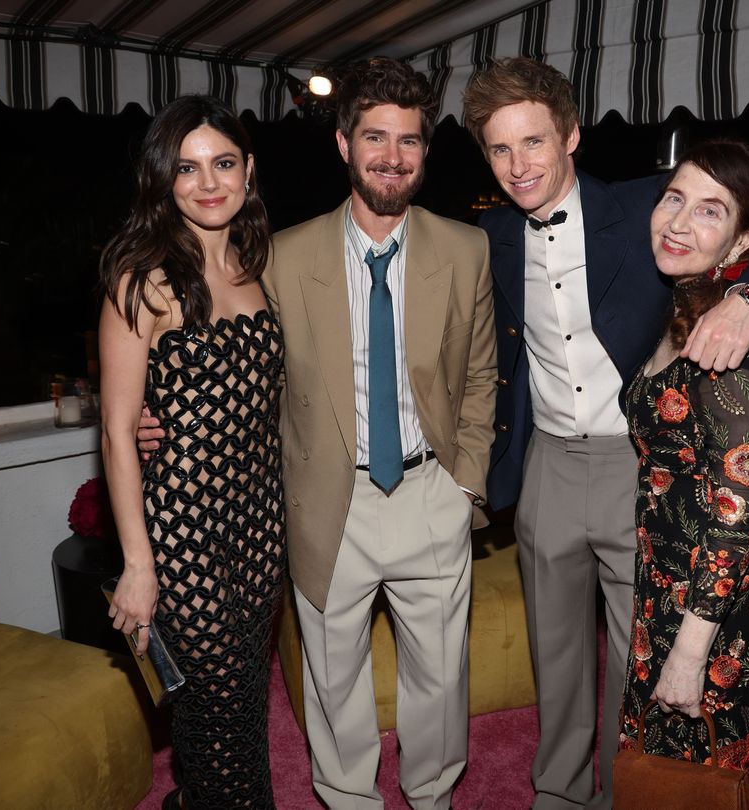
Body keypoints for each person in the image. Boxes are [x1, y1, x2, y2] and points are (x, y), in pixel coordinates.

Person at [461, 58, 749, 810]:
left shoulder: (651, 209)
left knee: (641, 657)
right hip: (548, 467)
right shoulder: (487, 233)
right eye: (500, 149)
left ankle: (633, 794)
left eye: (533, 142)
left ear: (571, 137)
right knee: (554, 656)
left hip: (641, 470)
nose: (519, 165)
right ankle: (557, 792)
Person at [141, 58, 497, 809]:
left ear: (426, 152)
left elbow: (481, 380)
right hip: (326, 501)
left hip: (430, 488)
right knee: (333, 681)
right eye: (375, 136)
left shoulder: (468, 250)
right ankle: (349, 801)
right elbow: (227, 359)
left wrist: (466, 484)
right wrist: (156, 412)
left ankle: (432, 796)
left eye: (409, 141)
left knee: (441, 677)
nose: (391, 156)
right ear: (344, 143)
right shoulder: (281, 257)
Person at [98, 94, 284, 810]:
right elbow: (117, 431)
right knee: (212, 716)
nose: (208, 183)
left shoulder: (255, 264)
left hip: (262, 524)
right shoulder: (142, 277)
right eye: (187, 167)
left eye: (224, 163)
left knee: (245, 704)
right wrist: (139, 568)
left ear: (248, 171)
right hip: (184, 533)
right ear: (162, 179)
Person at [617, 138, 749, 790]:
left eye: (711, 211)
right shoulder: (683, 305)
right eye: (674, 199)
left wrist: (690, 657)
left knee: (704, 777)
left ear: (745, 236)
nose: (680, 222)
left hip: (712, 609)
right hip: (665, 583)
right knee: (657, 770)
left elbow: (740, 513)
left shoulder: (733, 347)